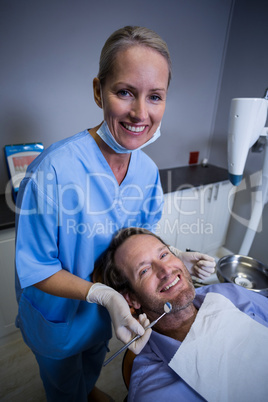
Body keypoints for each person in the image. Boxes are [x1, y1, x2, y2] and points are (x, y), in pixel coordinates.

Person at [15, 26, 215, 402]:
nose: (141, 112)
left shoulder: (147, 172)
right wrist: (104, 295)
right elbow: (36, 268)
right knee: (62, 389)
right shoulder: (54, 171)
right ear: (98, 91)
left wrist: (174, 257)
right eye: (125, 92)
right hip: (58, 320)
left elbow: (140, 239)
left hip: (104, 319)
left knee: (90, 368)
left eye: (154, 96)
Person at [95, 227, 268, 402]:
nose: (166, 270)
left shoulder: (230, 293)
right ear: (131, 299)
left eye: (164, 255)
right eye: (144, 271)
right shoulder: (154, 392)